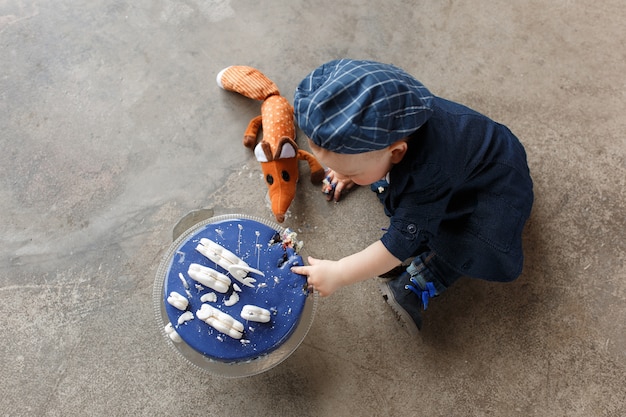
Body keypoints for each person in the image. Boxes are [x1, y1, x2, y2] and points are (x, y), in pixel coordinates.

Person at [289, 59, 534, 335]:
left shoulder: (429, 173)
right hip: (464, 166)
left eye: (352, 171)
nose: (338, 174)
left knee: (455, 240)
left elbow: (397, 245)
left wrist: (340, 273)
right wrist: (350, 169)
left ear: (396, 152)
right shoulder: (399, 109)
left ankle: (424, 277)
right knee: (393, 194)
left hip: (488, 197)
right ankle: (370, 174)